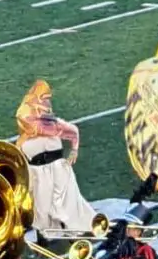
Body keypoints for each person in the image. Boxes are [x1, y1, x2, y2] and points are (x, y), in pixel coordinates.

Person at [14, 79, 97, 240]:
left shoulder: (53, 124)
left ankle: (74, 236)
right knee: (41, 208)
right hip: (37, 171)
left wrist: (74, 151)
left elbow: (73, 131)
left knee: (66, 203)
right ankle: (44, 239)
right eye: (43, 98)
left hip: (58, 168)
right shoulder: (26, 132)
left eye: (47, 98)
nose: (46, 102)